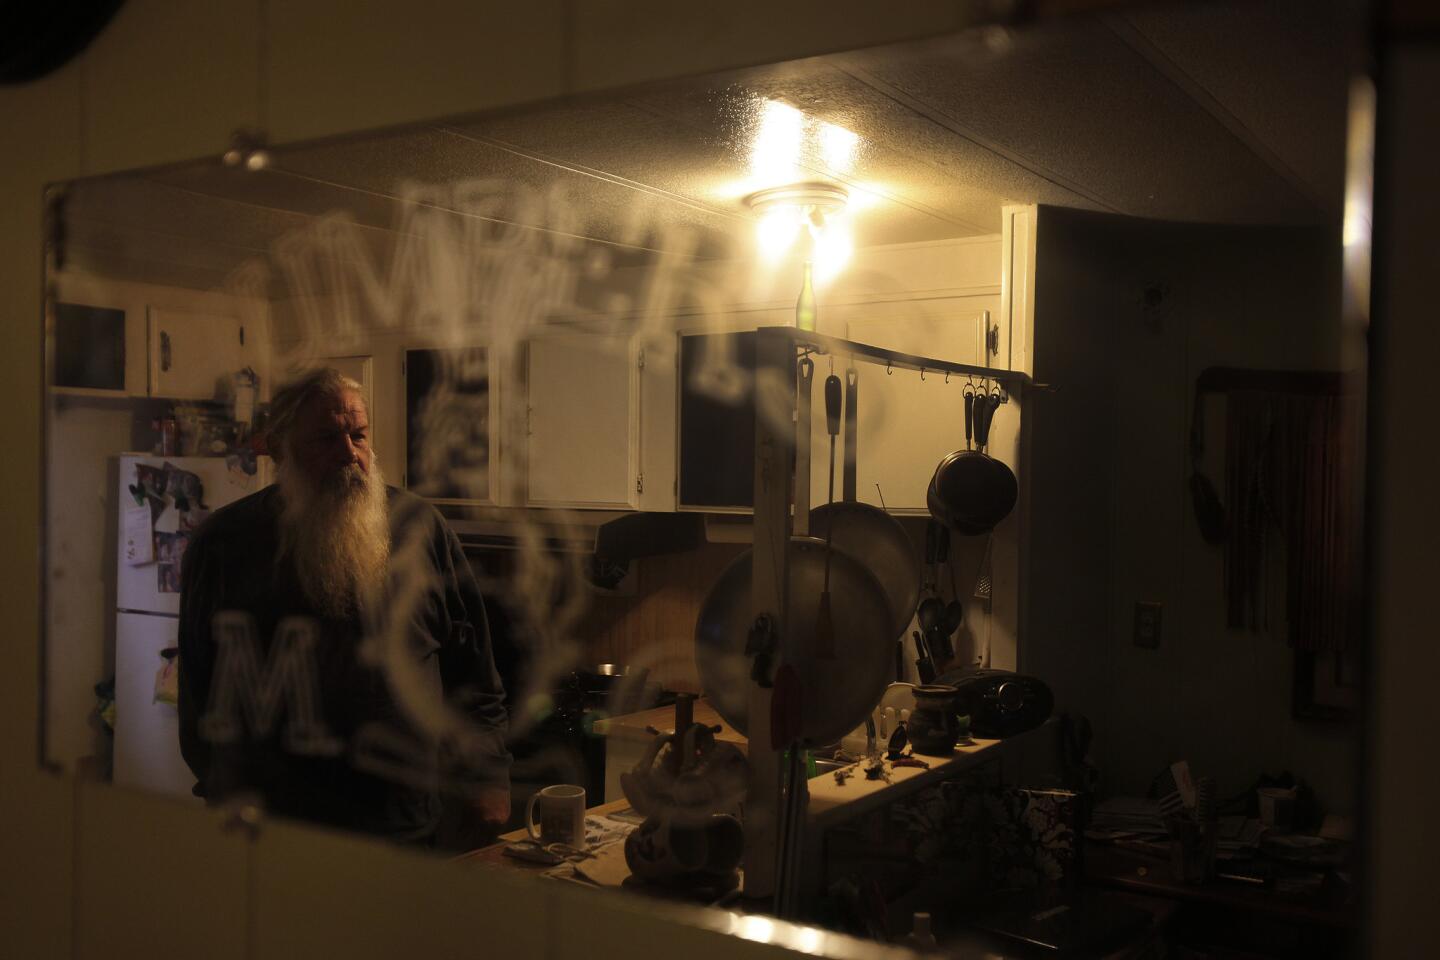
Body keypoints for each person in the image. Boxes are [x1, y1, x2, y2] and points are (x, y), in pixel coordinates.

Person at [177, 367, 511, 846]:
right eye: (326, 439)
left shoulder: (420, 528)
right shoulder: (225, 544)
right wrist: (218, 789)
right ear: (279, 448)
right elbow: (199, 690)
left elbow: (475, 671)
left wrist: (488, 776)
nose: (350, 454)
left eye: (358, 435)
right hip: (277, 828)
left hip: (405, 826)